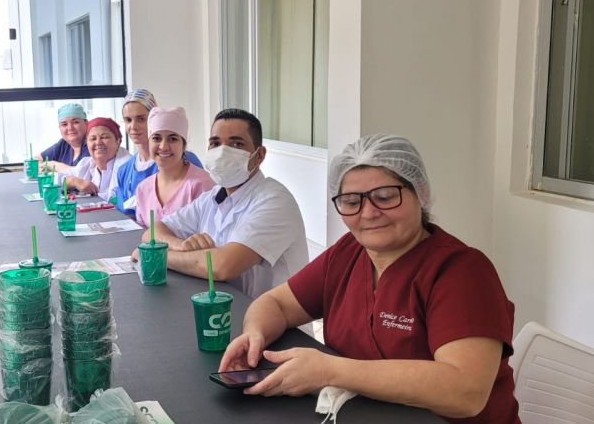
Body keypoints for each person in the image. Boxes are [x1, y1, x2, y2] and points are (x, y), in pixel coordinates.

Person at [218, 134, 520, 423]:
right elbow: (277, 304)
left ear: (421, 194)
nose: (369, 212)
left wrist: (330, 371)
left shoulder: (461, 272)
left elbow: (465, 392)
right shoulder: (348, 253)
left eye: (386, 197)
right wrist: (255, 334)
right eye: (351, 201)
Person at [134, 108, 307, 297]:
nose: (222, 152)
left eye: (236, 144)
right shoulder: (213, 197)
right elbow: (153, 230)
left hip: (274, 322)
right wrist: (179, 245)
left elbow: (223, 266)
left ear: (259, 155)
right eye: (215, 143)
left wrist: (156, 257)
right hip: (227, 309)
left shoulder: (275, 201)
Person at [112, 89, 202, 215]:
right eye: (128, 120)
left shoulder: (184, 160)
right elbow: (123, 216)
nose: (133, 126)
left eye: (141, 119)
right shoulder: (124, 171)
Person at [134, 106, 214, 226]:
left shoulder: (203, 184)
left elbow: (212, 236)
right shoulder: (143, 189)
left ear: (183, 145)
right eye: (156, 138)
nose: (163, 146)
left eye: (172, 139)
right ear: (149, 142)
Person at [61, 117, 131, 202]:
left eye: (104, 137)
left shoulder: (128, 165)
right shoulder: (86, 163)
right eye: (93, 139)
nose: (98, 142)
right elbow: (53, 180)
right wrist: (75, 182)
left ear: (118, 141)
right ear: (87, 143)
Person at [38, 103, 89, 172]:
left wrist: (52, 165)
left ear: (86, 123)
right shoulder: (63, 144)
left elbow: (79, 173)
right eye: (64, 124)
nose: (70, 128)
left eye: (75, 122)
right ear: (59, 127)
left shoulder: (91, 144)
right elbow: (36, 160)